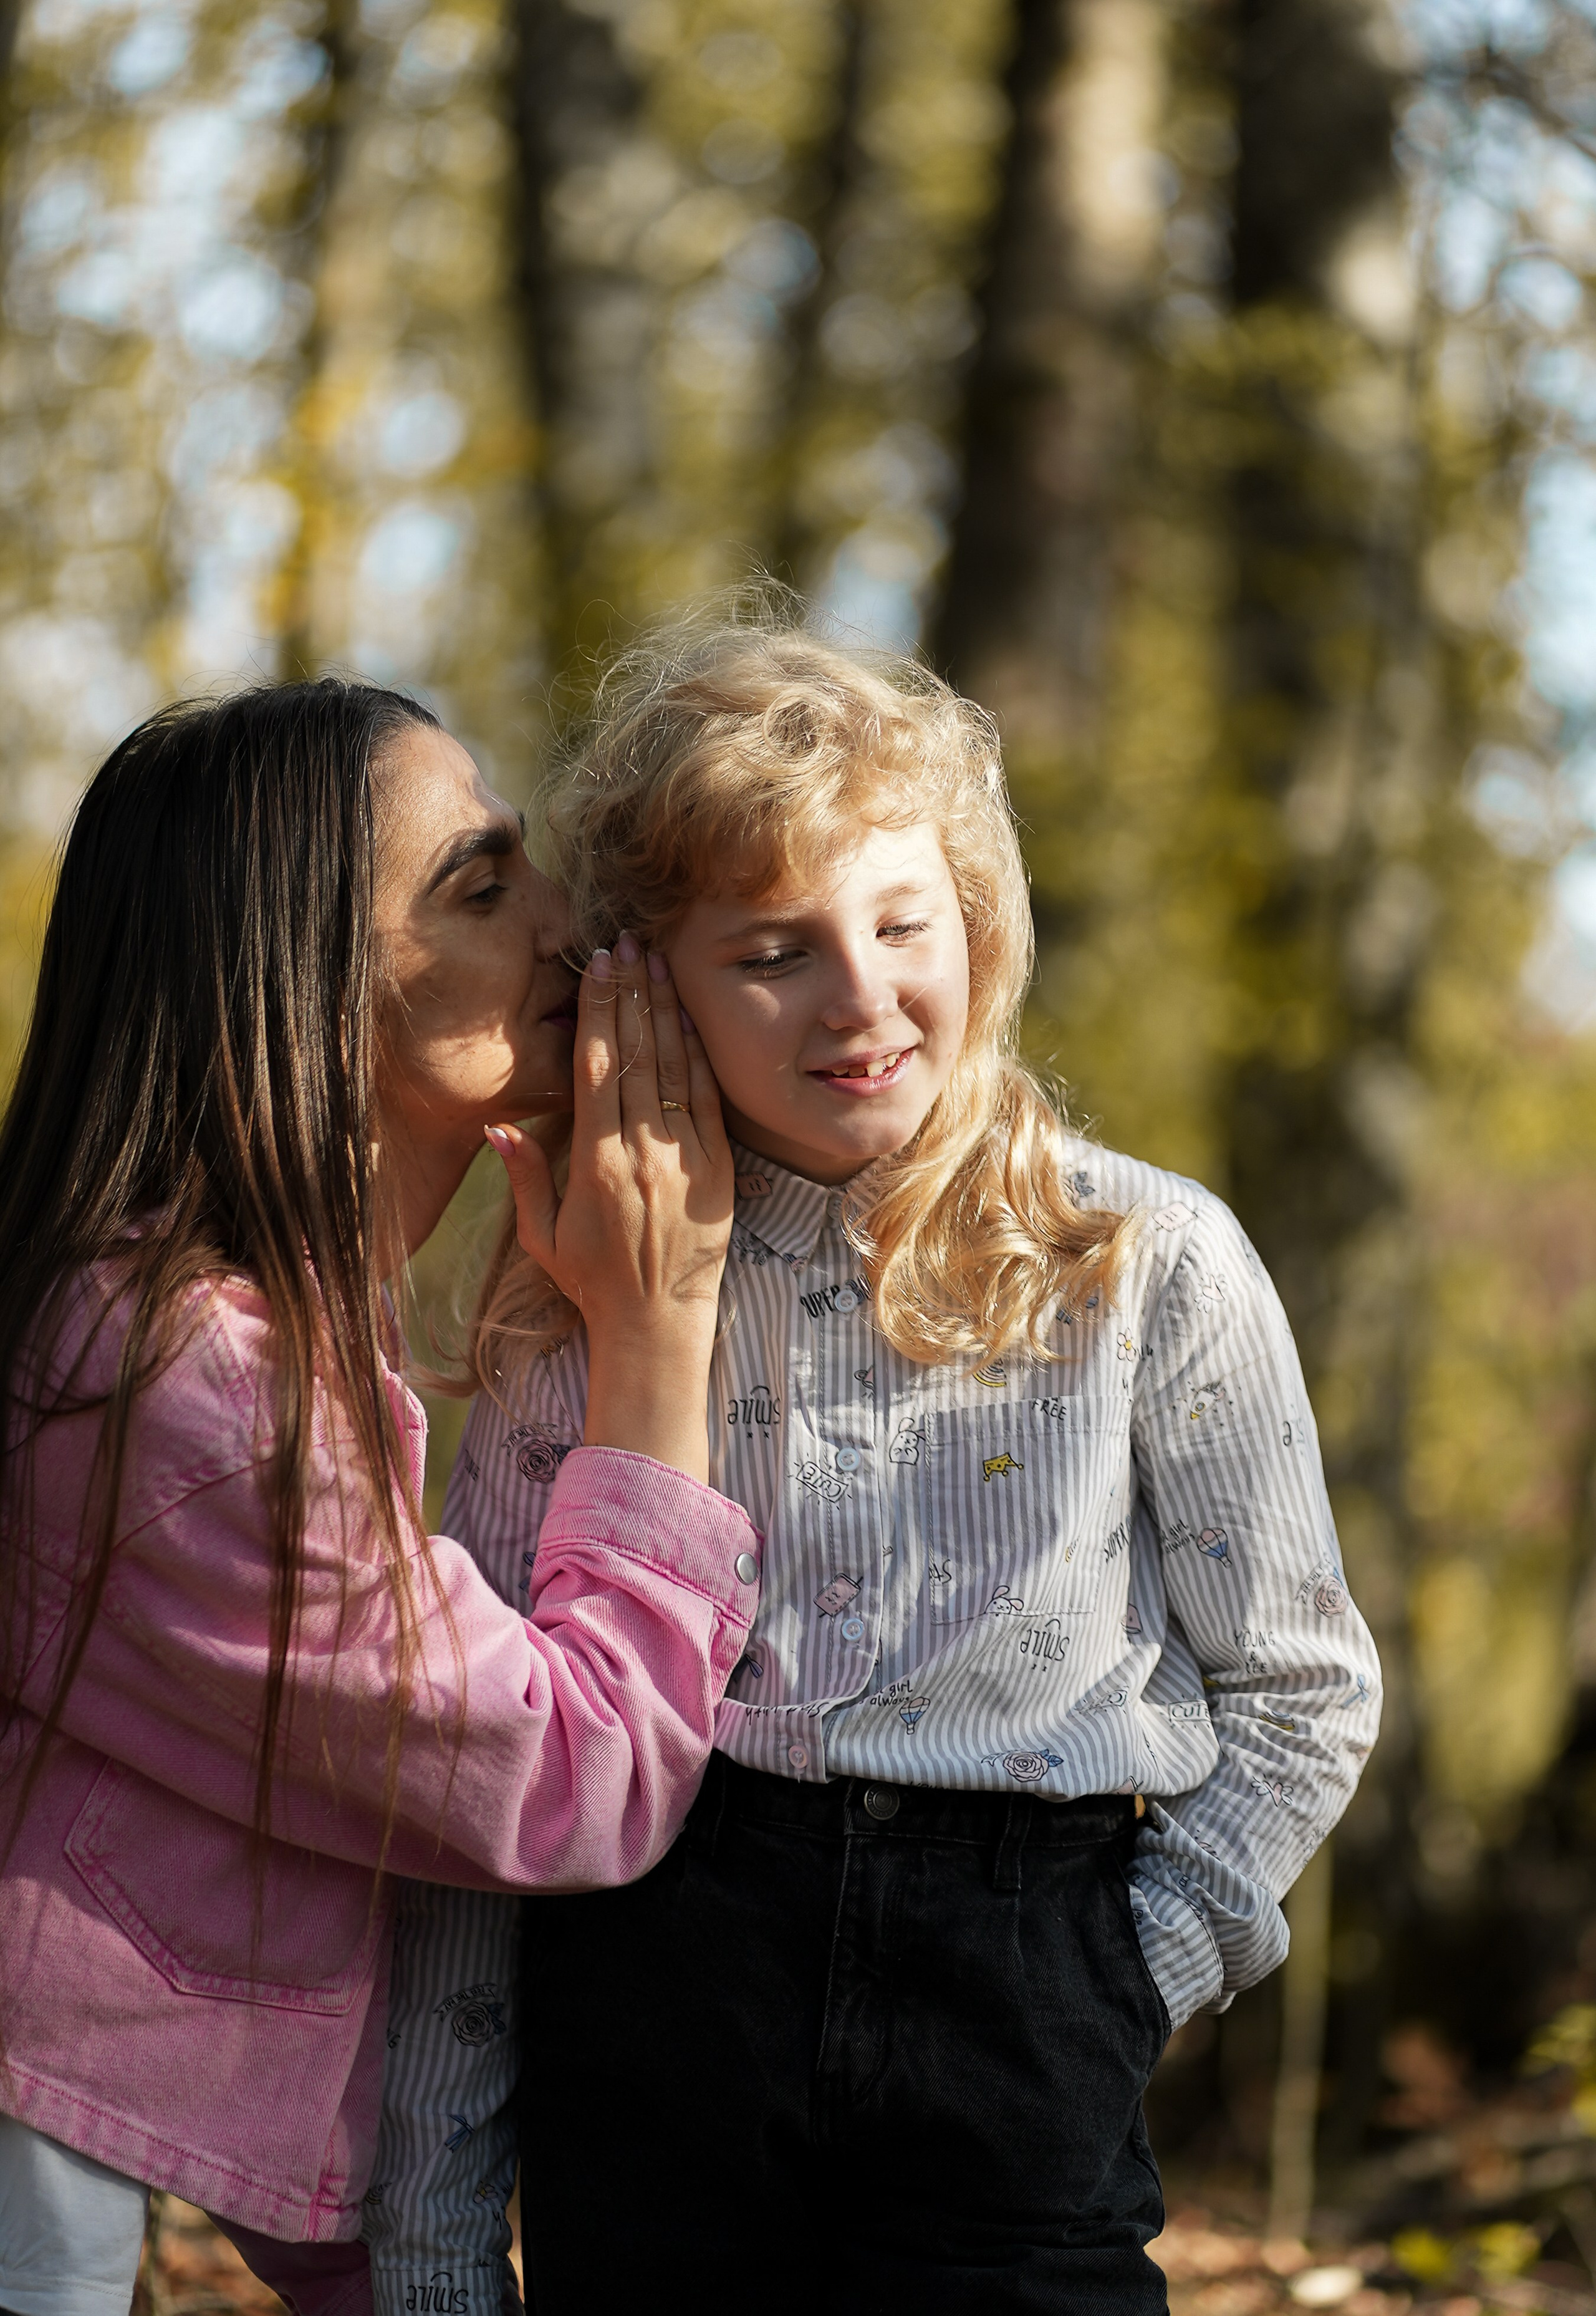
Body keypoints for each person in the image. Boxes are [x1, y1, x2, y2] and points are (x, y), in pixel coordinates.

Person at [368, 609, 1383, 2314]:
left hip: (1020, 1983)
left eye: (903, 922)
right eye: (770, 953)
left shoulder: (1151, 1260)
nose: (860, 998)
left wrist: (1126, 1966)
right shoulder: (584, 1309)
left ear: (973, 917)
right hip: (661, 1977)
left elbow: (1300, 1688)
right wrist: (437, 2248)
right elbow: (491, 1783)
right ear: (642, 987)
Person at [0, 680, 757, 2316]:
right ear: (300, 986)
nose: (571, 924)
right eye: (482, 888)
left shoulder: (212, 1341)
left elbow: (244, 1873)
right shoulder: (191, 1388)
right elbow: (570, 1774)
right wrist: (656, 1337)